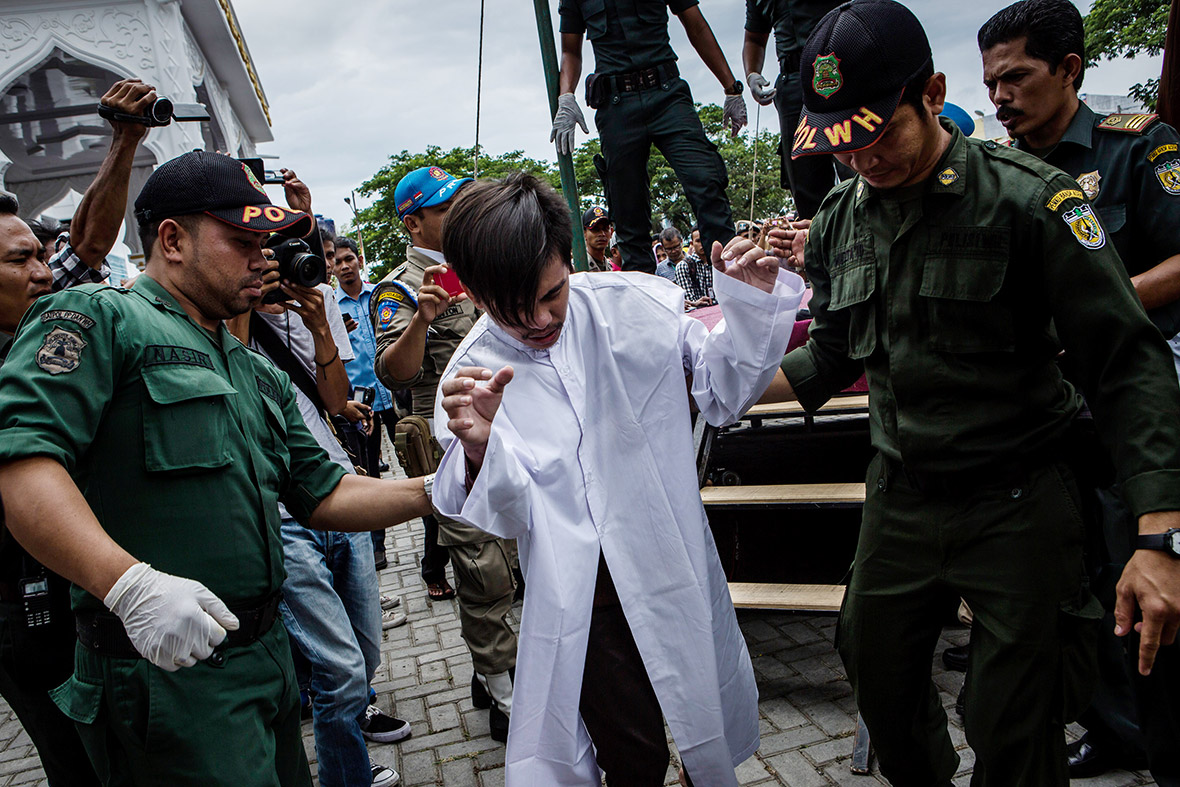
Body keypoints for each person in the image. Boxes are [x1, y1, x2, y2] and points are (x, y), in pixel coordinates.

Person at [757, 1, 1180, 784]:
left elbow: (1127, 360)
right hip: (900, 499)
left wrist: (1159, 536)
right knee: (877, 673)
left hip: (1016, 500)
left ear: (932, 93)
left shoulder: (1030, 201)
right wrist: (722, 385)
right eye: (841, 146)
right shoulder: (844, 216)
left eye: (878, 134)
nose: (862, 162)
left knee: (1014, 723)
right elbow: (831, 354)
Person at [0, 150, 438, 786]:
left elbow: (326, 492)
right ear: (173, 240)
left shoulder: (252, 368)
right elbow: (23, 464)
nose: (264, 257)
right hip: (165, 673)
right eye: (243, 241)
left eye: (268, 241)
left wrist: (436, 490)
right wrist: (127, 585)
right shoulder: (101, 319)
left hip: (267, 662)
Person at [433, 172, 806, 786]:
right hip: (588, 597)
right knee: (630, 752)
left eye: (551, 294)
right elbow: (502, 512)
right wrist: (479, 451)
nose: (536, 318)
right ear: (472, 291)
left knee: (703, 719)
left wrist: (751, 306)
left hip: (669, 557)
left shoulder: (637, 307)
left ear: (568, 258)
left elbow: (723, 392)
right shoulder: (472, 375)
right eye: (511, 307)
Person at [977, 2, 1180, 781]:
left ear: (1069, 70)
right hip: (1047, 417)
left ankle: (1166, 746)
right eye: (991, 81)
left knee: (1149, 584)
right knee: (1079, 587)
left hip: (1133, 405)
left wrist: (1101, 297)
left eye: (1017, 78)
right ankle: (1113, 727)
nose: (1000, 97)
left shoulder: (1138, 147)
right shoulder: (995, 174)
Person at [225, 168, 408, 787]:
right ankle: (346, 776)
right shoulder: (224, 316)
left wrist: (317, 320)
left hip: (337, 489)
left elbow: (333, 399)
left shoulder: (315, 303)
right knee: (338, 668)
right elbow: (237, 389)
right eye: (255, 254)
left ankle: (345, 755)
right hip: (282, 515)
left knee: (364, 656)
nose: (271, 266)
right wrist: (249, 306)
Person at [373, 165, 518, 742]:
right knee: (481, 566)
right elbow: (394, 373)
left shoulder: (481, 266)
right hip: (444, 446)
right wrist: (423, 321)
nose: (459, 212)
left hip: (503, 434)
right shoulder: (399, 288)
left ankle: (494, 670)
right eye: (444, 208)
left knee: (515, 555)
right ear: (414, 223)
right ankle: (505, 689)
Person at [0, 195, 99, 787]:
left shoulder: (33, 337)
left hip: (80, 591)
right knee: (79, 758)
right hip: (26, 605)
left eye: (42, 256)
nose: (44, 272)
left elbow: (87, 251)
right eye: (22, 260)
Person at [550, 0, 747, 273]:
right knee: (627, 213)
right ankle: (645, 304)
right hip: (617, 104)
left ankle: (736, 284)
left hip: (667, 93)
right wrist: (566, 96)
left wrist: (731, 87)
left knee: (706, 183)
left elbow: (696, 24)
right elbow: (571, 50)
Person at [333, 236, 401, 568]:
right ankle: (377, 544)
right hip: (363, 403)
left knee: (417, 460)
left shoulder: (382, 295)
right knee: (370, 474)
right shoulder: (331, 307)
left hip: (396, 395)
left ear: (358, 260)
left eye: (349, 259)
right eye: (337, 261)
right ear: (331, 267)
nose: (345, 266)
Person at [742, 0, 843, 219]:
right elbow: (754, 38)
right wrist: (752, 73)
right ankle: (817, 244)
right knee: (805, 183)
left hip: (838, 70)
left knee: (855, 166)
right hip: (792, 79)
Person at [667, 227, 713, 309]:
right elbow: (688, 301)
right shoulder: (684, 266)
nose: (702, 243)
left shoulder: (717, 262)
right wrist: (696, 303)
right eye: (698, 241)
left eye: (705, 239)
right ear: (692, 243)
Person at [582, 206, 614, 272]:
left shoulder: (611, 268)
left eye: (605, 229)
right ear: (584, 233)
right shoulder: (575, 268)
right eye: (595, 229)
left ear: (611, 232)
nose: (602, 234)